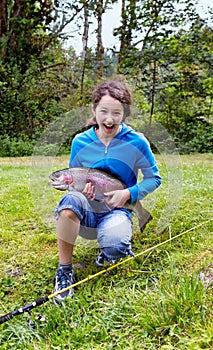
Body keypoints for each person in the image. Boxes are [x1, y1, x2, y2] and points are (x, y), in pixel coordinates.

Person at [53, 78, 161, 304]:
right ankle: (64, 269)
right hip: (89, 208)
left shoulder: (137, 142)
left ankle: (109, 246)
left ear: (125, 113)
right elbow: (75, 180)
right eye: (103, 111)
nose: (109, 119)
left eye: (116, 113)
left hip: (118, 209)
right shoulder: (80, 141)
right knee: (69, 201)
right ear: (94, 110)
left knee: (116, 247)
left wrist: (127, 194)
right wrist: (83, 194)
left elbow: (154, 179)